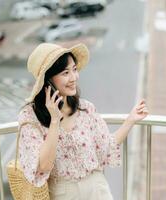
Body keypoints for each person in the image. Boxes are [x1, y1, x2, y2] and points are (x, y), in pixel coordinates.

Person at [17, 43, 149, 200]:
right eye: (65, 73)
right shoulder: (29, 117)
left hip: (97, 190)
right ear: (47, 80)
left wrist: (130, 120)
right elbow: (43, 166)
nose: (74, 78)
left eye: (74, 69)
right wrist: (54, 120)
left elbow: (106, 147)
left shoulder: (85, 108)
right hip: (62, 194)